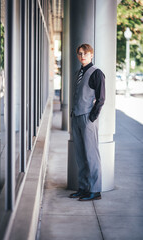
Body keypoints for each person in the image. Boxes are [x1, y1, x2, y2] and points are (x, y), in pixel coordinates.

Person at [69, 43, 105, 201]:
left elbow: (101, 98)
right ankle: (83, 187)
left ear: (91, 54)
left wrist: (92, 117)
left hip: (87, 118)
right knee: (80, 154)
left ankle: (95, 190)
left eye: (85, 53)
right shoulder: (78, 73)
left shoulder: (97, 73)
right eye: (80, 53)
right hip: (76, 116)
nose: (82, 56)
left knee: (91, 154)